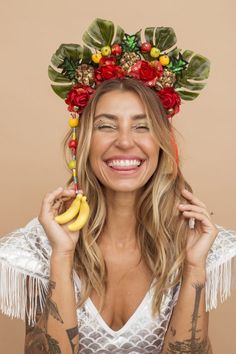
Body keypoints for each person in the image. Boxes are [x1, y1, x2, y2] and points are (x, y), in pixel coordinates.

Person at [1, 18, 236, 354]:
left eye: (141, 127)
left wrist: (194, 268)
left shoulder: (194, 240)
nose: (125, 142)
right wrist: (62, 257)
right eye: (106, 126)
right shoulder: (39, 246)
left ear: (162, 143)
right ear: (81, 143)